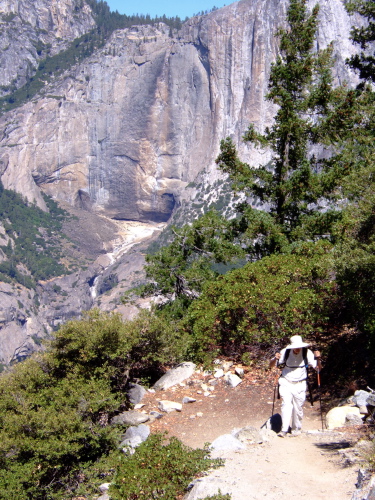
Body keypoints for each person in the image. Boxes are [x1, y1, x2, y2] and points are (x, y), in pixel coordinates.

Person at [269, 335, 322, 437]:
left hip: (300, 384)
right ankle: (284, 429)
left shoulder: (307, 353)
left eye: (298, 347)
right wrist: (275, 359)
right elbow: (271, 365)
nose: (297, 349)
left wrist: (318, 358)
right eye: (295, 347)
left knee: (298, 408)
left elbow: (318, 369)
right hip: (286, 381)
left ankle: (296, 429)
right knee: (286, 405)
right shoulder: (285, 352)